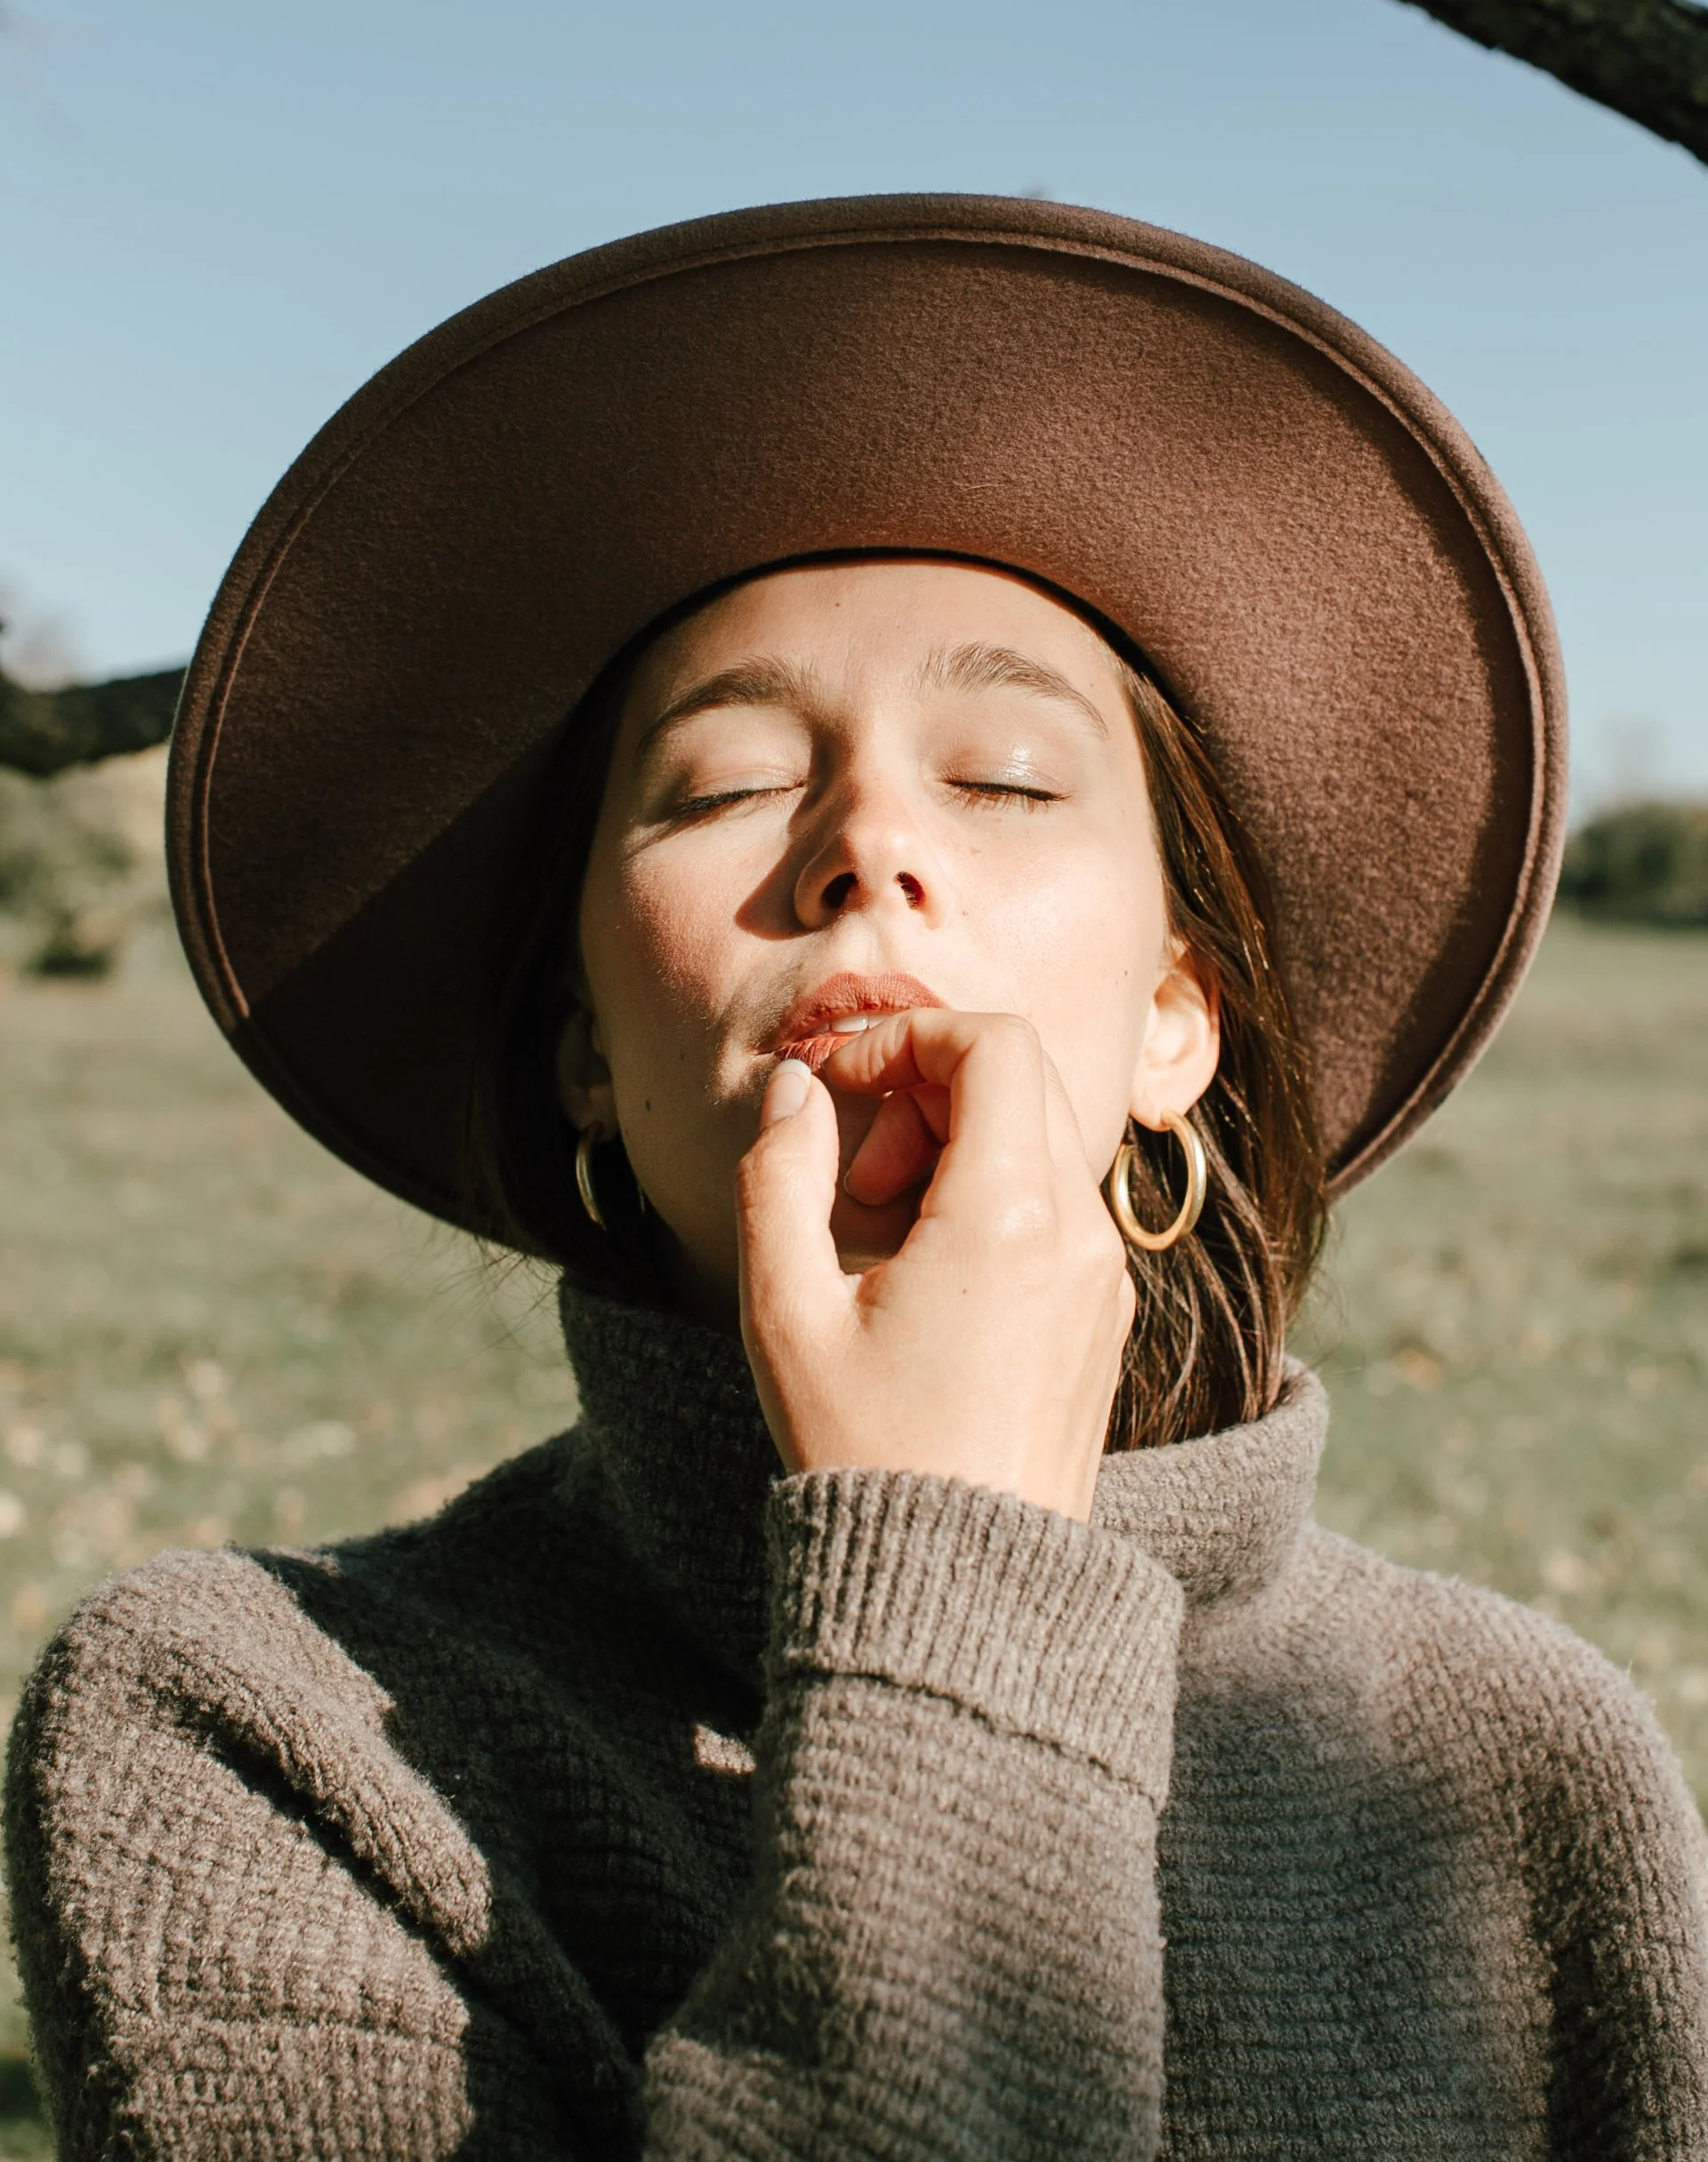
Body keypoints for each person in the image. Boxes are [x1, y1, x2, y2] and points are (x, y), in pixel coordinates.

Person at [6, 195, 1705, 2160]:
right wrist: (943, 1556)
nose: (867, 843)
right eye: (726, 784)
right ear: (583, 1043)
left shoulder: (1519, 1763)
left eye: (1005, 777)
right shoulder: (256, 1726)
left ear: (1180, 1022)